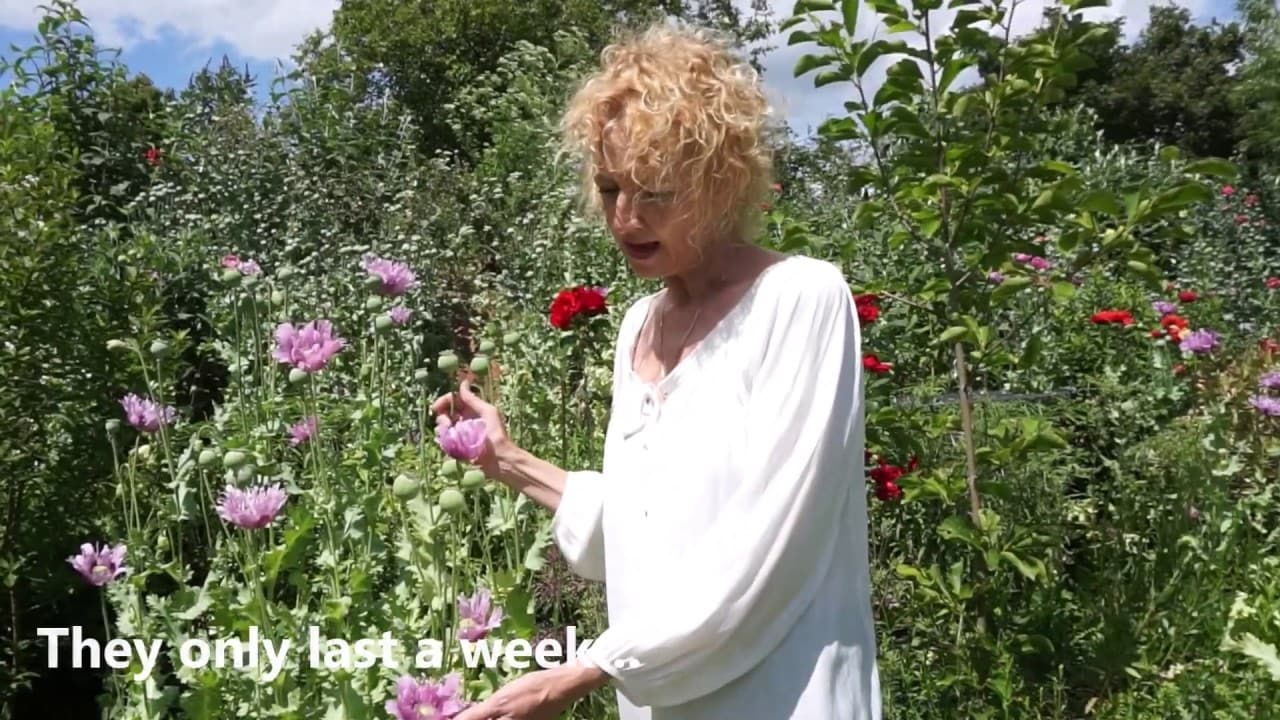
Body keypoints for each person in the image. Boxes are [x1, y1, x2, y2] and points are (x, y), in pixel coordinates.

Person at [433, 20, 881, 720]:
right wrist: (509, 460)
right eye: (610, 187)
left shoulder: (800, 299)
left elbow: (774, 543)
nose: (626, 216)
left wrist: (579, 673)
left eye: (656, 192)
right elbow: (652, 532)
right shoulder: (640, 326)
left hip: (782, 694)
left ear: (721, 181)